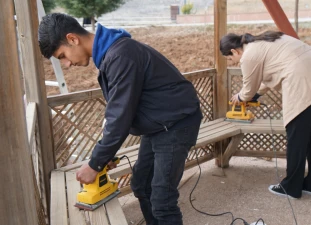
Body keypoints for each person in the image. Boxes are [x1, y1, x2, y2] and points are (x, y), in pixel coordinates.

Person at [38, 13, 202, 224]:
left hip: (177, 124)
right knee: (142, 185)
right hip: (159, 125)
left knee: (162, 200)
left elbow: (120, 116)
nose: (67, 64)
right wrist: (105, 153)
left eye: (62, 56)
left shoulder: (120, 55)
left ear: (72, 39)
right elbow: (119, 109)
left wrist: (95, 164)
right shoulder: (112, 53)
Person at [220, 31, 311, 199]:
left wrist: (241, 97)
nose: (232, 63)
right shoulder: (263, 41)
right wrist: (254, 95)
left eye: (229, 59)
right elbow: (265, 77)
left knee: (297, 137)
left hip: (302, 82)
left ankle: (291, 187)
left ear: (234, 51)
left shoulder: (248, 56)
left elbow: (248, 88)